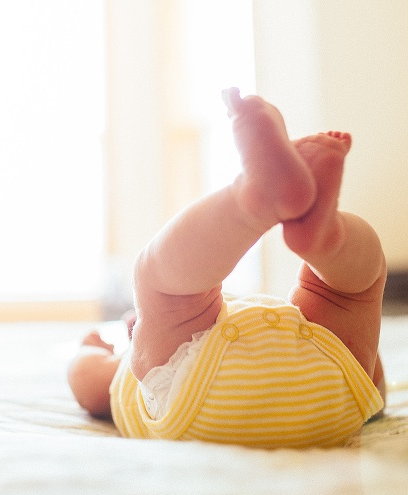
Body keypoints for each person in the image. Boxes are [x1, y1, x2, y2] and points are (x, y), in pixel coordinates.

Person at [68, 88, 386, 448]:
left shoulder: (128, 376)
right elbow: (375, 386)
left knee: (164, 287)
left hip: (202, 402)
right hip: (330, 397)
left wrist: (88, 352)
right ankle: (324, 237)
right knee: (353, 291)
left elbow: (85, 383)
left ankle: (258, 203)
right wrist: (362, 355)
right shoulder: (148, 354)